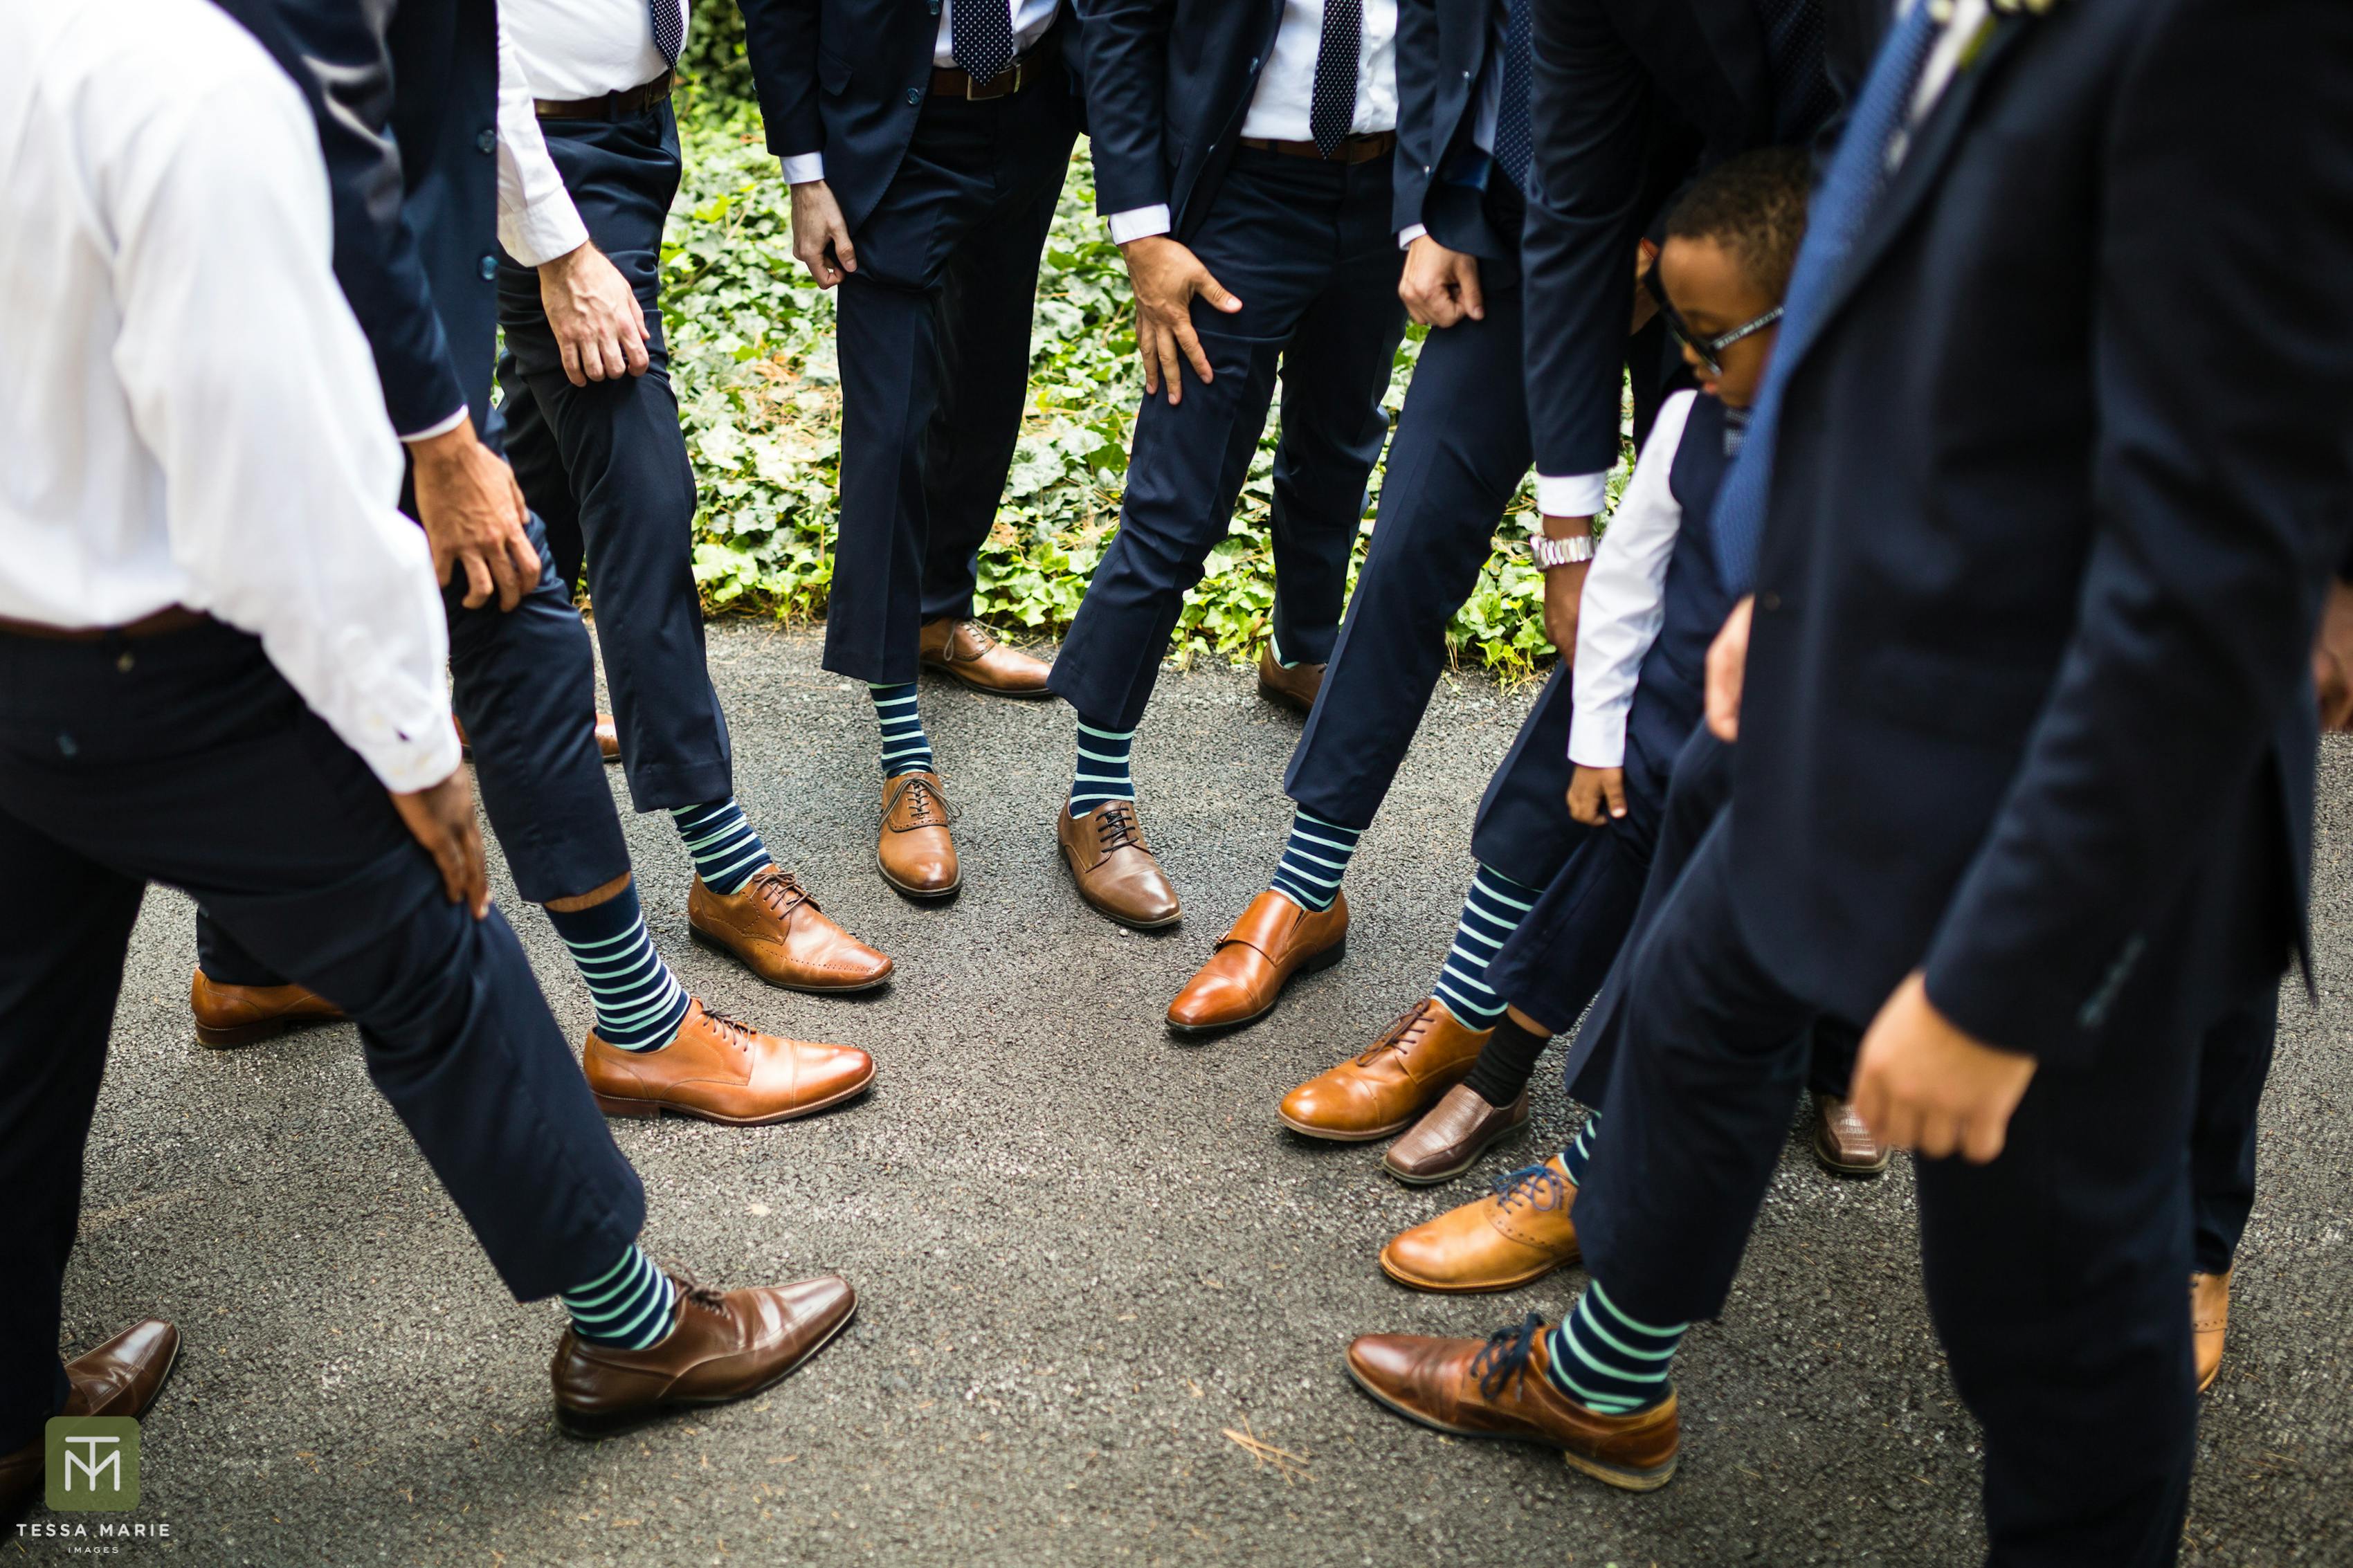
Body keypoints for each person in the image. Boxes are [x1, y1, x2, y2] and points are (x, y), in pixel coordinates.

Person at [1346, 8, 2353, 1564]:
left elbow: (2204, 541)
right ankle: (1606, 1381)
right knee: (1692, 1006)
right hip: (1858, 640)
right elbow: (1894, 275)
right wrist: (1787, 566)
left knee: (2053, 1315)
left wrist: (1996, 984)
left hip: (2063, 751)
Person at [0, 0, 857, 1522]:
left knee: (21, 1035)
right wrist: (411, 743)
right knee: (440, 953)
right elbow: (280, 492)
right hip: (164, 663)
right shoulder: (198, 87)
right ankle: (635, 1333)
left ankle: (21, 1433)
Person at [194, 0, 887, 1126]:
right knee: (527, 596)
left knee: (365, 581)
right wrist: (549, 266)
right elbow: (443, 61)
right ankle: (663, 990)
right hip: (425, 215)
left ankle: (250, 957)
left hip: (531, 179)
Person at [1160, 0, 1860, 1052]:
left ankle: (1481, 985)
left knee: (1656, 601)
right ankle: (1306, 885)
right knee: (1412, 540)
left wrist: (1673, 249)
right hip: (1535, 222)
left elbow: (1846, 116)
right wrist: (1435, 203)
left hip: (1741, 261)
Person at [1289, 151, 1882, 1201]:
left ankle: (1831, 1060)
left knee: (1808, 893)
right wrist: (1597, 717)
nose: (1686, 357)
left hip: (1827, 738)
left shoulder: (1890, 436)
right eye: (1684, 332)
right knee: (1615, 870)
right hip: (1672, 724)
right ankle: (1490, 1056)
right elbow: (1627, 591)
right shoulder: (1697, 418)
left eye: (1707, 337)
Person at [1044, 0, 1411, 929]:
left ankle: (1300, 649)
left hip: (1390, 194)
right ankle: (1095, 790)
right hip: (1244, 193)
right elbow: (1120, 24)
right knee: (1179, 498)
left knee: (1339, 446)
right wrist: (1143, 232)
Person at [737, 0, 1080, 898]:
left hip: (1032, 109)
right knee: (889, 430)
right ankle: (904, 752)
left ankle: (937, 613)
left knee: (985, 388)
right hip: (893, 128)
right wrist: (805, 174)